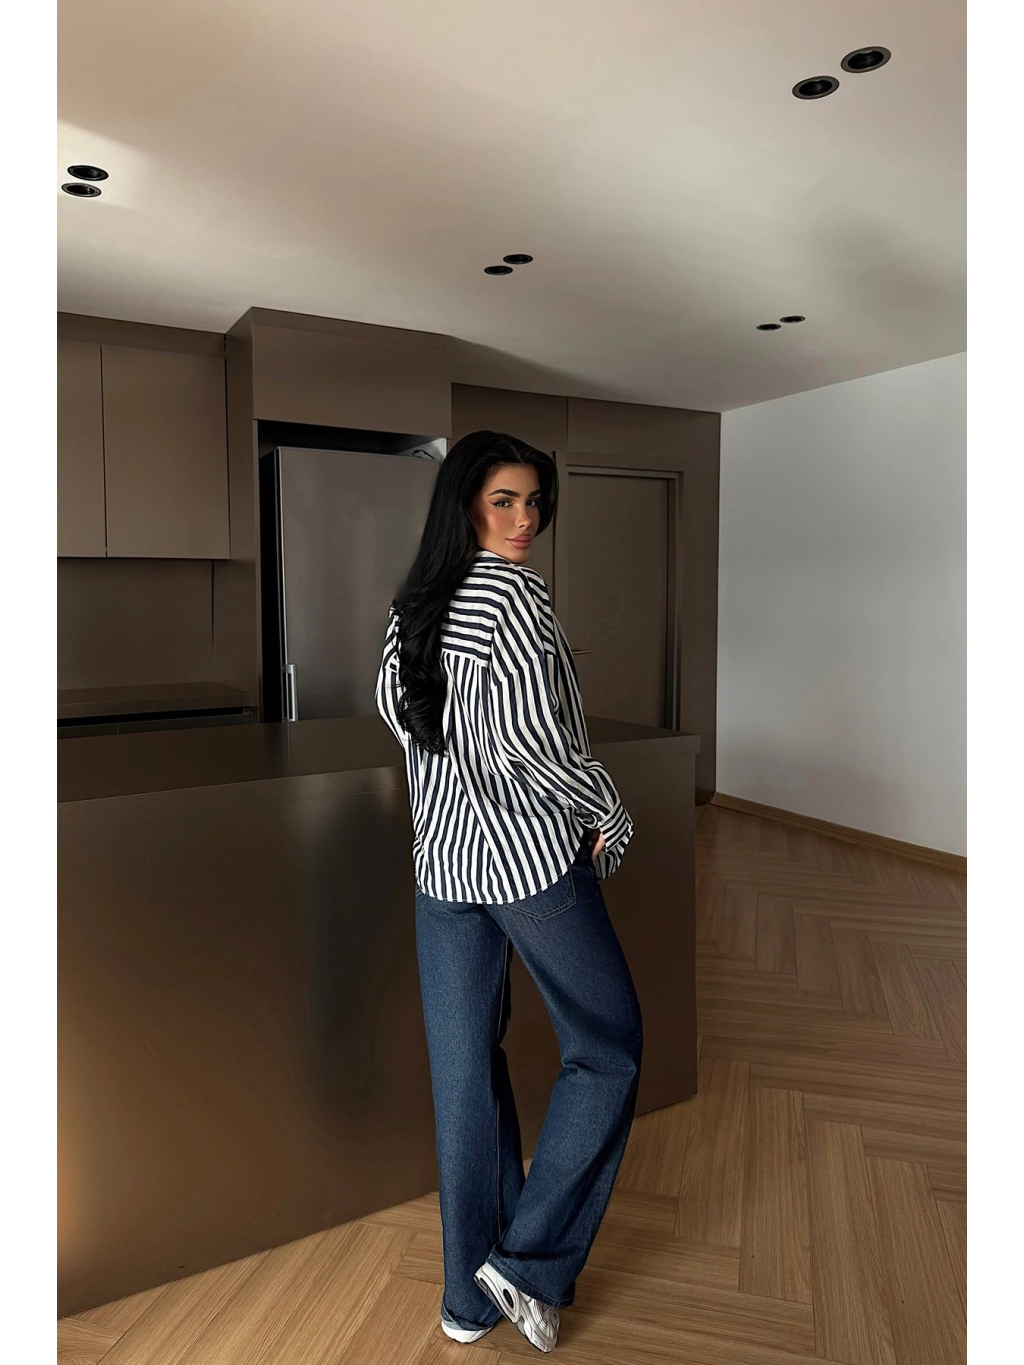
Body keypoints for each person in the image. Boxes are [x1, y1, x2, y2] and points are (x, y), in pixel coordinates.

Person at [375, 431, 643, 1353]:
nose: (525, 520)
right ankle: (525, 1267)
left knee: (465, 1074)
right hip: (529, 866)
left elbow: (404, 722)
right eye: (504, 501)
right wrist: (608, 806)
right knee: (608, 1045)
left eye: (534, 502)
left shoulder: (413, 607)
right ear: (466, 503)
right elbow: (536, 743)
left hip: (442, 869)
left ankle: (467, 1297)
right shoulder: (514, 599)